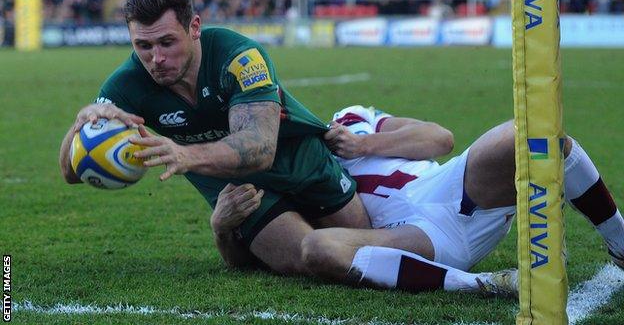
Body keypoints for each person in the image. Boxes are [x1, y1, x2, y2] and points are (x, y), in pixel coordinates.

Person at [58, 0, 371, 275]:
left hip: (299, 160)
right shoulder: (126, 84)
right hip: (235, 187)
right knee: (309, 258)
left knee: (367, 246)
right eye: (143, 45)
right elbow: (71, 173)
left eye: (167, 42)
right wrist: (80, 127)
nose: (156, 59)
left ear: (194, 27)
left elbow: (259, 148)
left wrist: (185, 155)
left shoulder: (239, 56)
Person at [212, 105, 624, 296]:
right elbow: (260, 253)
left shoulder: (349, 118)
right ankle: (487, 285)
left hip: (447, 187)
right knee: (318, 247)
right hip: (409, 239)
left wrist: (364, 143)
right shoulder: (274, 176)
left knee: (536, 132)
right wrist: (222, 227)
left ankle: (619, 240)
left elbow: (440, 138)